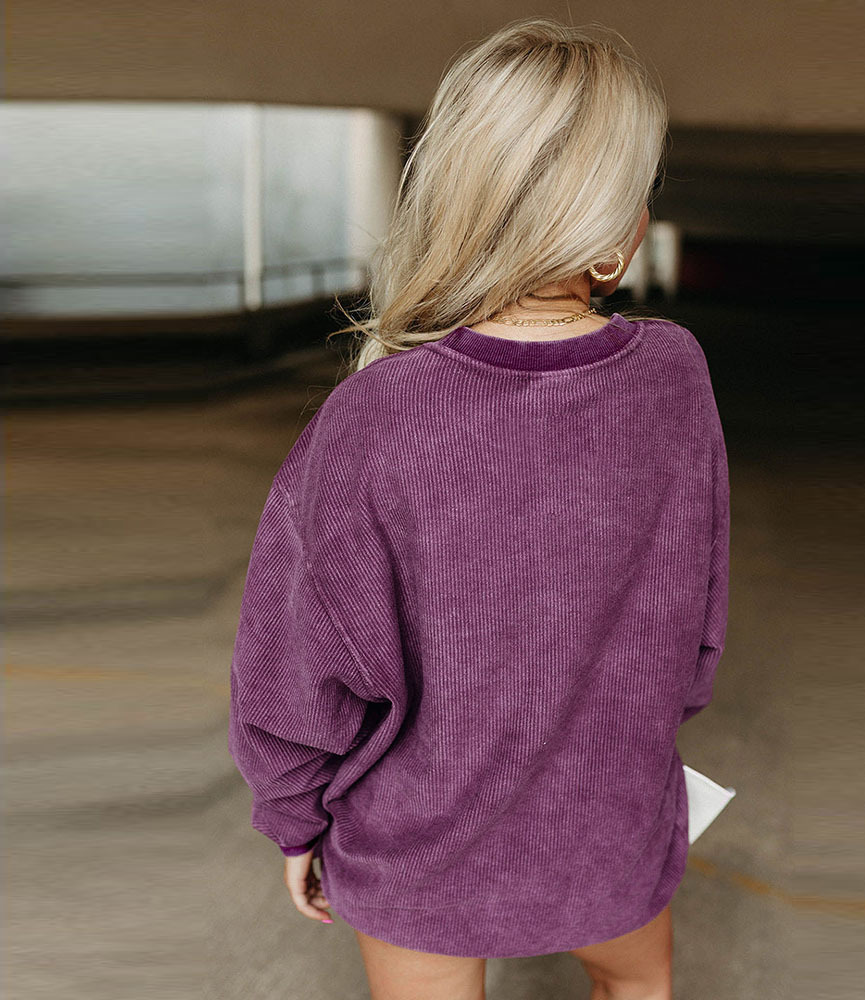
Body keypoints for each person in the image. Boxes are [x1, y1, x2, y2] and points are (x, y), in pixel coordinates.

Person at [228, 16, 730, 1000]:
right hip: (612, 816)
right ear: (614, 224)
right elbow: (696, 616)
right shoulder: (676, 373)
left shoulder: (377, 410)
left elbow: (294, 663)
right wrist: (628, 742)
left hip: (417, 848)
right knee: (637, 986)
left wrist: (295, 819)